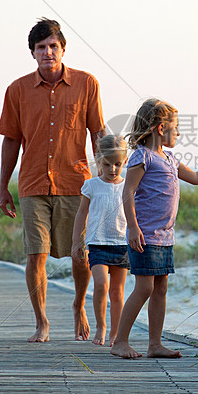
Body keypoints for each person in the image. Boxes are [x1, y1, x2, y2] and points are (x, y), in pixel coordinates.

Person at [110, 99, 198, 359]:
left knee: (160, 288)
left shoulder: (171, 159)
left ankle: (154, 345)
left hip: (165, 236)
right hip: (146, 235)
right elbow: (127, 192)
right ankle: (120, 341)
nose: (178, 133)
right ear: (161, 128)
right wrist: (132, 227)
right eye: (176, 128)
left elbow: (197, 178)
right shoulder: (142, 156)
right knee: (144, 288)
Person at [0, 18, 106, 342]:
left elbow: (98, 132)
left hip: (77, 182)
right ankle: (42, 322)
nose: (47, 52)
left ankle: (78, 305)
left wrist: (104, 179)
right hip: (32, 184)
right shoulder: (17, 90)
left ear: (62, 49)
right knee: (36, 254)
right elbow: (10, 140)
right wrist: (3, 186)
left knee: (81, 253)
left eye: (52, 46)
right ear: (32, 53)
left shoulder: (87, 84)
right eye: (41, 48)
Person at [70, 135, 129, 346]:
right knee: (102, 285)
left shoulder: (128, 186)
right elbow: (81, 214)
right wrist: (77, 241)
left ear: (125, 162)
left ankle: (116, 332)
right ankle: (101, 327)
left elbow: (135, 214)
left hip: (122, 244)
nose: (112, 169)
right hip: (97, 244)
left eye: (118, 164)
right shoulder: (91, 185)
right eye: (107, 164)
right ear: (98, 161)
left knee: (117, 291)